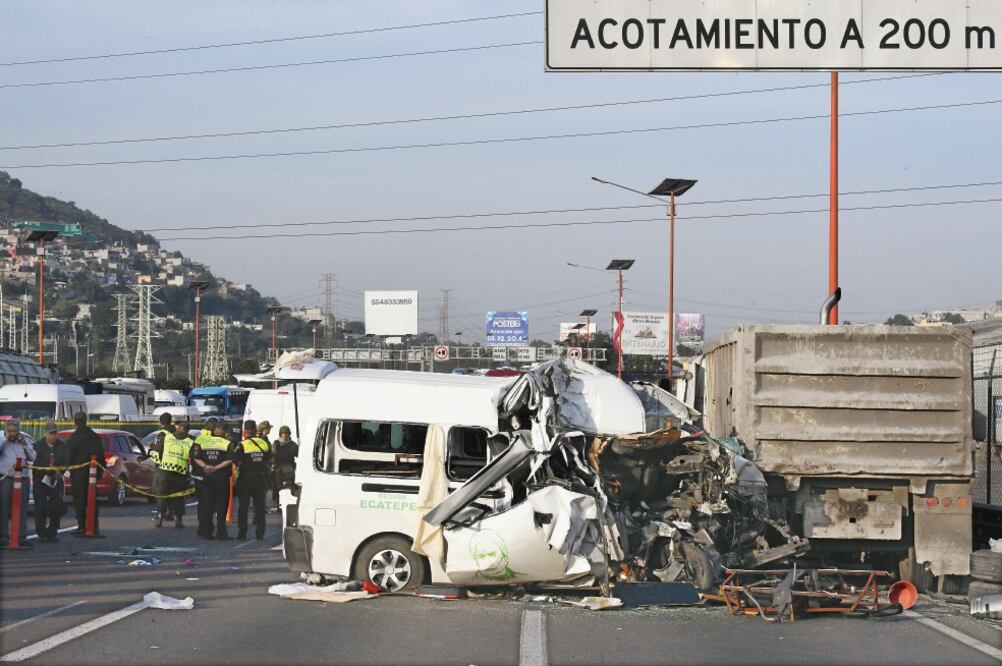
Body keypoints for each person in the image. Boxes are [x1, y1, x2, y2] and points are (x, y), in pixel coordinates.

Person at [190, 420, 234, 540]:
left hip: (205, 478)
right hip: (221, 478)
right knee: (221, 506)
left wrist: (205, 466)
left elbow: (195, 457)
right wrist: (216, 467)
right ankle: (221, 533)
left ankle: (206, 532)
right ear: (225, 432)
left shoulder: (202, 440)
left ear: (214, 430)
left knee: (206, 505)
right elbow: (230, 459)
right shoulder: (227, 443)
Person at [66, 412, 104, 536]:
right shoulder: (94, 436)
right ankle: (94, 527)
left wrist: (64, 468)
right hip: (92, 473)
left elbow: (68, 455)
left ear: (75, 422)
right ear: (86, 420)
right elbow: (101, 454)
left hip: (78, 474)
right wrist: (100, 471)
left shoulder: (74, 438)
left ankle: (82, 526)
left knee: (79, 501)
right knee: (92, 499)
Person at [151, 421, 193, 529]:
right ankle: (178, 521)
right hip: (180, 473)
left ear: (178, 427)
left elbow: (155, 453)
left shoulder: (167, 437)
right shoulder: (191, 441)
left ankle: (160, 518)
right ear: (188, 430)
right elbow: (193, 459)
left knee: (162, 496)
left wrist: (159, 466)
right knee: (178, 498)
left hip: (164, 471)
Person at [0, 419, 36, 545]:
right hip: (7, 478)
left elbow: (33, 458)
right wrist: (5, 440)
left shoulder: (24, 442)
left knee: (21, 509)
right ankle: (3, 537)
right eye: (10, 431)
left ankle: (21, 538)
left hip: (23, 479)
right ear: (5, 431)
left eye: (15, 431)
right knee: (3, 509)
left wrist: (25, 445)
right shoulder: (2, 442)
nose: (13, 434)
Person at [235, 419, 271, 540]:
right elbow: (269, 459)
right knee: (260, 507)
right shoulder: (264, 443)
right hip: (260, 478)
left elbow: (237, 462)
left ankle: (242, 533)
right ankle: (260, 533)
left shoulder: (242, 445)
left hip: (245, 478)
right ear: (255, 430)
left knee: (243, 507)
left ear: (245, 431)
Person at [32, 422, 69, 542]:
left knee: (56, 507)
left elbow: (66, 461)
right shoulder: (38, 445)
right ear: (45, 433)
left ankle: (52, 533)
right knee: (40, 507)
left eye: (55, 433)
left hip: (56, 480)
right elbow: (37, 462)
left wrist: (60, 471)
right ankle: (41, 532)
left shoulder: (62, 446)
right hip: (40, 479)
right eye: (51, 433)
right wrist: (50, 471)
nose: (53, 436)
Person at [149, 413, 176, 526]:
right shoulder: (176, 433)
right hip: (175, 466)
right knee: (172, 491)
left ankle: (160, 515)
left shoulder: (162, 434)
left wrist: (152, 448)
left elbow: (158, 450)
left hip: (163, 467)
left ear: (161, 422)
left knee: (161, 491)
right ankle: (172, 513)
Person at [270, 425, 298, 511]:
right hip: (278, 468)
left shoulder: (293, 445)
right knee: (277, 487)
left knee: (290, 487)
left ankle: (290, 504)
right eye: (283, 433)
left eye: (287, 433)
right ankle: (277, 504)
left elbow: (298, 455)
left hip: (289, 467)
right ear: (280, 434)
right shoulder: (276, 443)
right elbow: (272, 454)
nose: (285, 435)